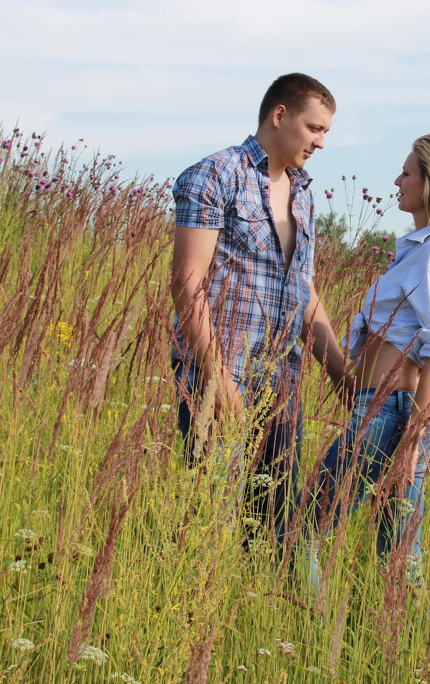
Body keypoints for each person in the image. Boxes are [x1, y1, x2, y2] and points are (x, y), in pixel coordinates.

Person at [170, 73, 351, 540]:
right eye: (315, 128)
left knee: (269, 524)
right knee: (210, 519)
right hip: (219, 373)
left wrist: (340, 374)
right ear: (280, 115)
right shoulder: (216, 174)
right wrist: (218, 379)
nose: (322, 142)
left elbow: (302, 289)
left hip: (282, 380)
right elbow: (187, 285)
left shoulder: (303, 194)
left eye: (326, 132)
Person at [309, 133, 430, 579]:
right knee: (396, 551)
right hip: (385, 410)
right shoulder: (418, 253)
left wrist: (412, 439)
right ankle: (394, 642)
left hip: (393, 415)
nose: (397, 180)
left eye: (407, 173)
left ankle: (305, 631)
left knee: (303, 528)